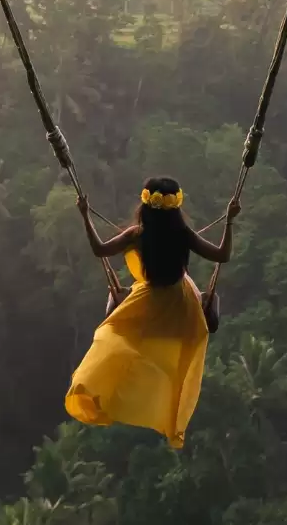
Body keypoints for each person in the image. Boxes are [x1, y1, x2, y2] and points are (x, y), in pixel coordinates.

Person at [64, 176, 240, 448]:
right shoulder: (183, 234)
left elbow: (100, 250)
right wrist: (229, 221)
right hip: (182, 306)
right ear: (176, 207)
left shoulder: (137, 234)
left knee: (112, 323)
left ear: (145, 204)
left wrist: (85, 215)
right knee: (207, 303)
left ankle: (104, 390)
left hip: (148, 303)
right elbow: (222, 256)